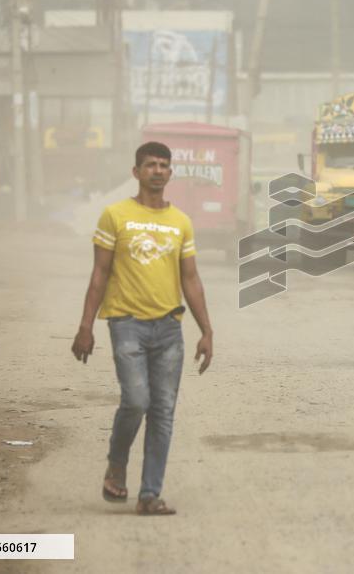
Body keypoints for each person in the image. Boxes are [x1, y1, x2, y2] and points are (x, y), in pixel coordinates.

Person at [70, 141, 213, 516]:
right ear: (136, 172)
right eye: (150, 164)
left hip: (169, 328)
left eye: (164, 165)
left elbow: (191, 279)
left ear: (170, 173)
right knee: (136, 400)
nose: (157, 170)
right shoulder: (115, 216)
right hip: (126, 324)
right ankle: (117, 462)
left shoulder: (181, 221)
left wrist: (206, 330)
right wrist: (86, 326)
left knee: (163, 412)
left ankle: (150, 494)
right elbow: (99, 273)